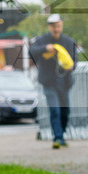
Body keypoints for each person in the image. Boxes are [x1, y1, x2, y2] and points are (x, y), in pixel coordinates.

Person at [29, 13, 77, 148]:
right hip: (49, 82)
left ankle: (61, 133)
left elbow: (75, 61)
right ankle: (58, 137)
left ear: (62, 26)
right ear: (49, 27)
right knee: (54, 109)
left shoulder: (68, 41)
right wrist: (45, 48)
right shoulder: (42, 40)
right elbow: (31, 51)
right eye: (54, 26)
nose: (56, 29)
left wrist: (71, 66)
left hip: (65, 82)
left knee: (65, 111)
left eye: (58, 26)